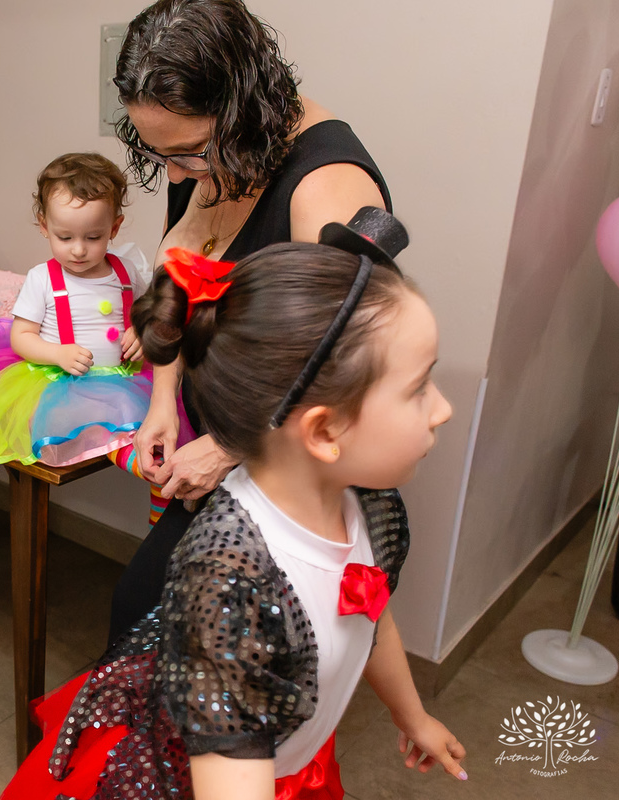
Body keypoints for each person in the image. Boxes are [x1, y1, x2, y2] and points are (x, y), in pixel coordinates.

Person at [0, 214, 466, 799]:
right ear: (323, 431)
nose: (442, 408)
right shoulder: (230, 580)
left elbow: (370, 615)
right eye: (419, 387)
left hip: (300, 763)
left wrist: (412, 715)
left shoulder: (370, 507)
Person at [107, 0, 393, 643]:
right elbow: (178, 286)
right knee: (145, 620)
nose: (177, 176)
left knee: (190, 639)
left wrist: (232, 446)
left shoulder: (328, 185)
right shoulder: (204, 153)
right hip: (225, 447)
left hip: (289, 466)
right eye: (162, 156)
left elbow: (351, 357)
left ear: (242, 113)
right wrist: (162, 403)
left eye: (189, 155)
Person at [0, 153, 157, 466]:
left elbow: (145, 311)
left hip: (122, 379)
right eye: (65, 237)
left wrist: (140, 330)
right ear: (45, 226)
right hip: (62, 383)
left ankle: (148, 474)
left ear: (114, 228)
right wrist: (57, 354)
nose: (78, 249)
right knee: (77, 428)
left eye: (93, 237)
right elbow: (22, 336)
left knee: (151, 425)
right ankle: (132, 461)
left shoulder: (126, 272)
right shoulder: (43, 278)